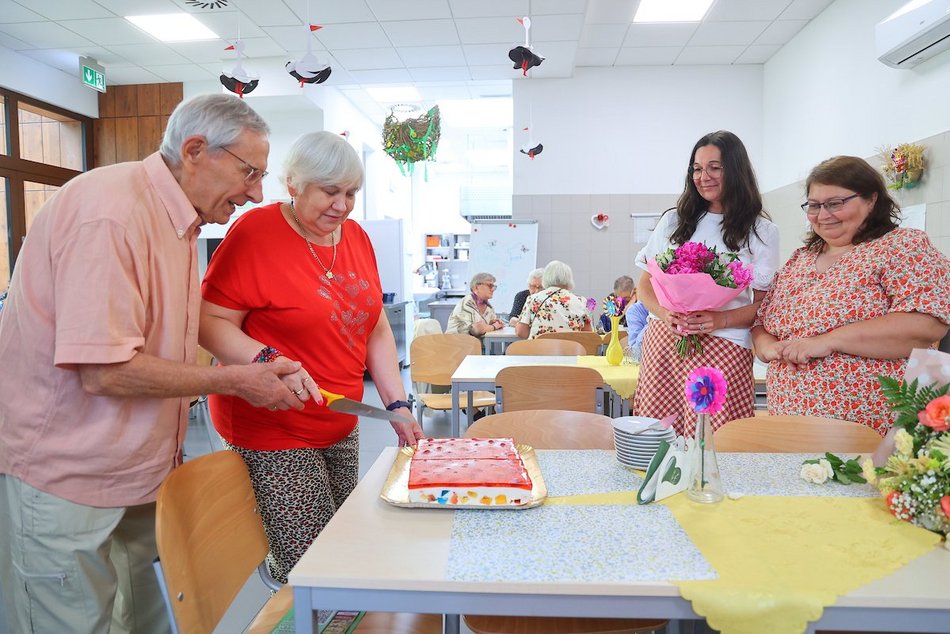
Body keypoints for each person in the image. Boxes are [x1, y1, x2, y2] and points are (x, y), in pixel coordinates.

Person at [0, 94, 303, 634]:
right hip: (67, 475)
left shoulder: (178, 221)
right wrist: (236, 381)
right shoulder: (111, 214)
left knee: (146, 619)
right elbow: (105, 370)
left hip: (139, 473)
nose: (257, 192)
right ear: (195, 151)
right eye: (250, 172)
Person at [199, 131, 424, 584]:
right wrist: (268, 360)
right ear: (293, 184)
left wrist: (397, 404)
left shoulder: (355, 237)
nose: (342, 206)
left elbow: (375, 327)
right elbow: (208, 322)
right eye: (329, 191)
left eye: (351, 193)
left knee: (341, 546)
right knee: (311, 567)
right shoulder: (256, 233)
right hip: (272, 425)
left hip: (338, 419)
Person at [752, 156, 950, 433]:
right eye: (814, 205)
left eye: (835, 203)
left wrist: (828, 341)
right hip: (790, 426)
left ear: (871, 200)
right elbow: (761, 321)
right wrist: (766, 347)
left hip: (875, 430)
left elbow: (927, 324)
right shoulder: (799, 260)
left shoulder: (902, 246)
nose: (823, 215)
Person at [633, 131, 780, 437]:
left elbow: (765, 305)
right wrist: (664, 313)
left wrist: (720, 319)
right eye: (697, 169)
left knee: (717, 440)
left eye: (715, 167)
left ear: (736, 170)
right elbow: (646, 282)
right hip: (665, 342)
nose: (703, 177)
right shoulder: (674, 221)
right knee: (659, 437)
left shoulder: (761, 231)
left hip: (724, 345)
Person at [516, 260, 593, 339]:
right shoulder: (581, 301)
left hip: (540, 346)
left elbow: (521, 332)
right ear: (569, 279)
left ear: (545, 278)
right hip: (570, 346)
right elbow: (588, 335)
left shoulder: (533, 299)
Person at [447, 272, 506, 337]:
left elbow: (487, 326)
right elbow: (476, 330)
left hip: (473, 342)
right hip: (455, 342)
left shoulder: (489, 307)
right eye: (490, 285)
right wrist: (494, 326)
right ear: (476, 287)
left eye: (494, 287)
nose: (492, 290)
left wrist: (495, 323)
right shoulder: (467, 303)